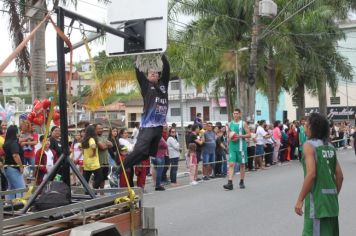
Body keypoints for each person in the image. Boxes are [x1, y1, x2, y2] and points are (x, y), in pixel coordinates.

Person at [295, 113, 343, 236]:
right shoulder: (330, 146)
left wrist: (300, 199)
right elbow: (340, 176)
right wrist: (333, 194)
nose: (304, 126)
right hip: (331, 203)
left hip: (316, 205)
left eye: (306, 124)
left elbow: (311, 174)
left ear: (312, 127)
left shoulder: (309, 146)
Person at [119, 55, 170, 173]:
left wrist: (162, 55)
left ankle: (120, 169)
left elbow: (167, 69)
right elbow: (138, 72)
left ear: (158, 75)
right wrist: (136, 57)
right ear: (147, 76)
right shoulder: (146, 85)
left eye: (156, 72)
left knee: (146, 154)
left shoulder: (163, 86)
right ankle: (117, 171)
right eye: (150, 73)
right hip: (148, 126)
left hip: (158, 127)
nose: (153, 73)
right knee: (140, 151)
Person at [223, 108, 251, 190]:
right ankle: (230, 183)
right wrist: (230, 137)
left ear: (239, 114)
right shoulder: (229, 124)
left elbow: (249, 134)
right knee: (231, 164)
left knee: (242, 165)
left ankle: (241, 181)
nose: (235, 115)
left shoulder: (243, 123)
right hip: (232, 146)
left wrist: (240, 136)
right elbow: (229, 135)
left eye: (236, 113)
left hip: (241, 147)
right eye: (234, 113)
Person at [3, 125, 26, 200]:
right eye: (18, 131)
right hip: (14, 168)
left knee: (12, 189)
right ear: (15, 132)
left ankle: (9, 206)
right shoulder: (13, 142)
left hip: (8, 168)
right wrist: (21, 166)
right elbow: (15, 155)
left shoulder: (7, 142)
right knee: (21, 188)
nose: (19, 133)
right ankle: (21, 206)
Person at [81, 125, 102, 189]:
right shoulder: (91, 139)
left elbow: (81, 148)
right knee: (99, 177)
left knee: (85, 179)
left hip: (87, 162)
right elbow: (93, 146)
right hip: (94, 162)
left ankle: (87, 192)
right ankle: (94, 191)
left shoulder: (84, 139)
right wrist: (94, 153)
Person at [95, 123, 113, 191]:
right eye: (98, 129)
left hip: (106, 161)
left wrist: (104, 145)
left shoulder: (103, 137)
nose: (100, 130)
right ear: (95, 130)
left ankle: (102, 193)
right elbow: (102, 147)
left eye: (101, 128)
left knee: (103, 179)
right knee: (98, 179)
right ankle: (95, 192)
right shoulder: (95, 138)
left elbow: (111, 144)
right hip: (98, 162)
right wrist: (105, 145)